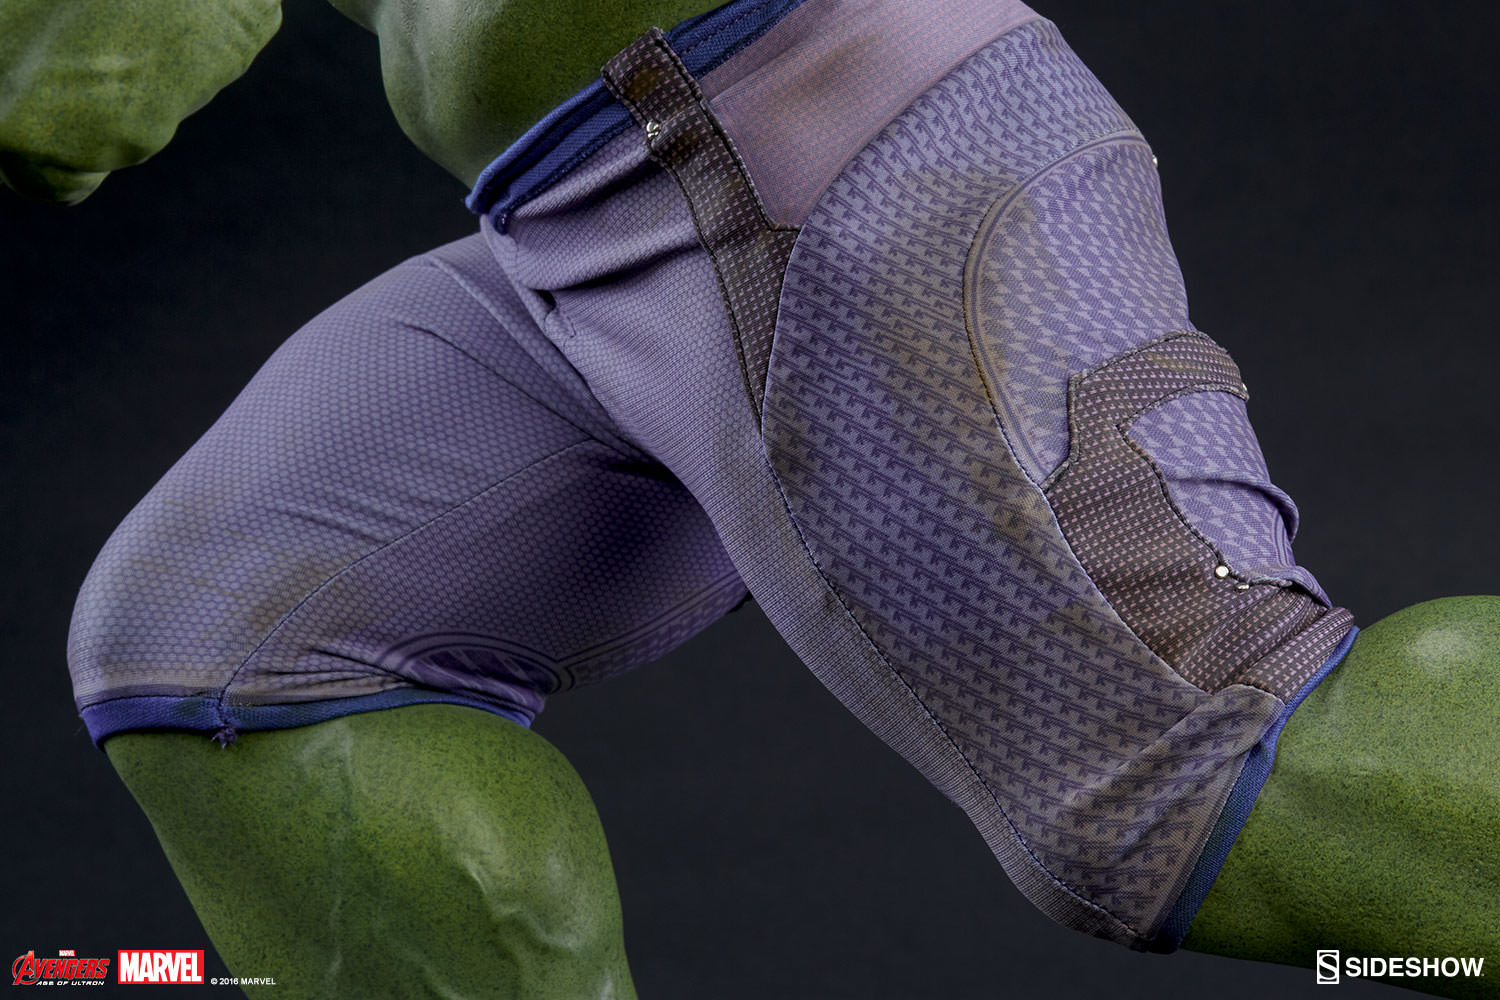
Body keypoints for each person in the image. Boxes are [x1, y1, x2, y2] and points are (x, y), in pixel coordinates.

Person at [4, 0, 1495, 997]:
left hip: (823, 143)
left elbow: (87, 73)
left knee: (1209, 778)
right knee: (228, 653)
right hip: (587, 221)